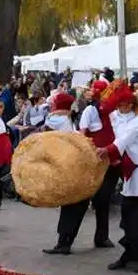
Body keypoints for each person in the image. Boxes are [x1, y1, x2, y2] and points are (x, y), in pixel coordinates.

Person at [45, 80, 119, 255]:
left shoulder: (115, 113)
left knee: (103, 200)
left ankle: (101, 236)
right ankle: (64, 242)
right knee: (77, 199)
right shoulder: (90, 111)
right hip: (89, 163)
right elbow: (83, 135)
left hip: (110, 161)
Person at [98, 82, 138, 274]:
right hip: (130, 167)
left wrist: (108, 150)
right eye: (119, 104)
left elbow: (127, 136)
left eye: (126, 104)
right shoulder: (115, 115)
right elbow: (118, 135)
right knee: (128, 213)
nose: (122, 107)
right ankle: (130, 254)